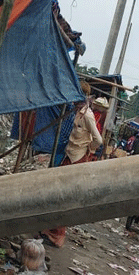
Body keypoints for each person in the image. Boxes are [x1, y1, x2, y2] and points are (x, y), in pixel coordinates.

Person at [40, 100, 103, 248]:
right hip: (70, 155)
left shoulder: (87, 115)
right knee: (59, 194)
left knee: (65, 197)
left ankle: (57, 236)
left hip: (77, 158)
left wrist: (89, 149)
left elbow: (98, 140)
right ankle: (51, 230)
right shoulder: (77, 113)